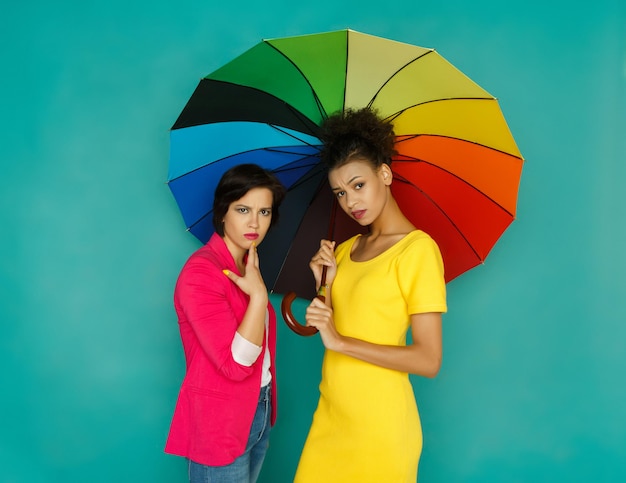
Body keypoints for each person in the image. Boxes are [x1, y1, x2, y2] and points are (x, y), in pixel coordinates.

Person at [294, 108, 448, 482]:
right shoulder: (344, 251)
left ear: (385, 173)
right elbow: (331, 325)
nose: (350, 201)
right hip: (331, 416)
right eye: (341, 192)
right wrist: (322, 282)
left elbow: (428, 360)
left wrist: (342, 343)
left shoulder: (417, 250)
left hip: (381, 430)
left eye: (358, 184)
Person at [165, 163, 286, 483]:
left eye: (264, 212)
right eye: (243, 209)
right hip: (220, 419)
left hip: (258, 409)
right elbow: (234, 364)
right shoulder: (201, 273)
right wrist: (259, 297)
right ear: (222, 213)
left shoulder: (248, 267)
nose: (254, 222)